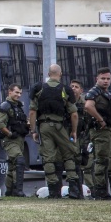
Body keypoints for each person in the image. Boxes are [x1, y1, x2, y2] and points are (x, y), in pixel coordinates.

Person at [28, 63, 80, 199]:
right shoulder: (66, 90)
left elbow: (32, 112)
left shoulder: (38, 89)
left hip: (44, 127)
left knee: (48, 157)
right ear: (60, 74)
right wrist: (73, 131)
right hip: (60, 126)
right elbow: (74, 114)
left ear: (48, 74)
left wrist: (33, 130)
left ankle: (53, 191)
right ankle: (74, 189)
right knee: (68, 154)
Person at [84, 67, 111, 200]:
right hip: (100, 131)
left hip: (107, 130)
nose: (106, 81)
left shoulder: (105, 93)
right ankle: (100, 191)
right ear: (97, 79)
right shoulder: (94, 92)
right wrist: (100, 120)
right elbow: (88, 106)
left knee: (105, 160)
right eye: (103, 78)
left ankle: (103, 191)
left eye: (108, 78)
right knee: (101, 161)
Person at [0, 84, 29, 197]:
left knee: (13, 165)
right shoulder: (5, 106)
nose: (18, 95)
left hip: (19, 140)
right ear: (10, 92)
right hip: (10, 140)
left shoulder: (18, 107)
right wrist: (9, 134)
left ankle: (10, 191)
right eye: (16, 92)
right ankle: (18, 191)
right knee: (19, 160)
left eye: (20, 93)